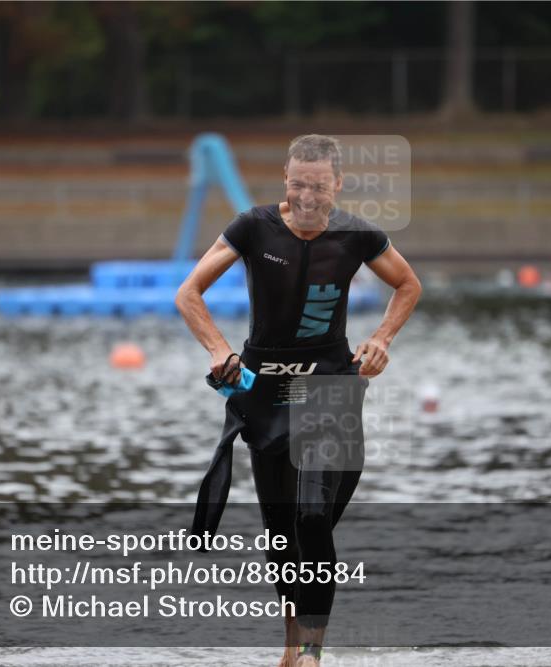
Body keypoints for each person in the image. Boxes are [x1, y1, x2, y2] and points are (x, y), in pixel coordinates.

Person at [176, 134, 421, 667]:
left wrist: (381, 338)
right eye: (297, 185)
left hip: (329, 386)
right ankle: (293, 648)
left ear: (338, 185)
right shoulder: (252, 226)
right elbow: (188, 293)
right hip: (266, 391)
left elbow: (408, 285)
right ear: (284, 181)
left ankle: (311, 652)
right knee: (282, 537)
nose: (307, 197)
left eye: (318, 187)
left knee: (313, 517)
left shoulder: (357, 235)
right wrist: (218, 349)